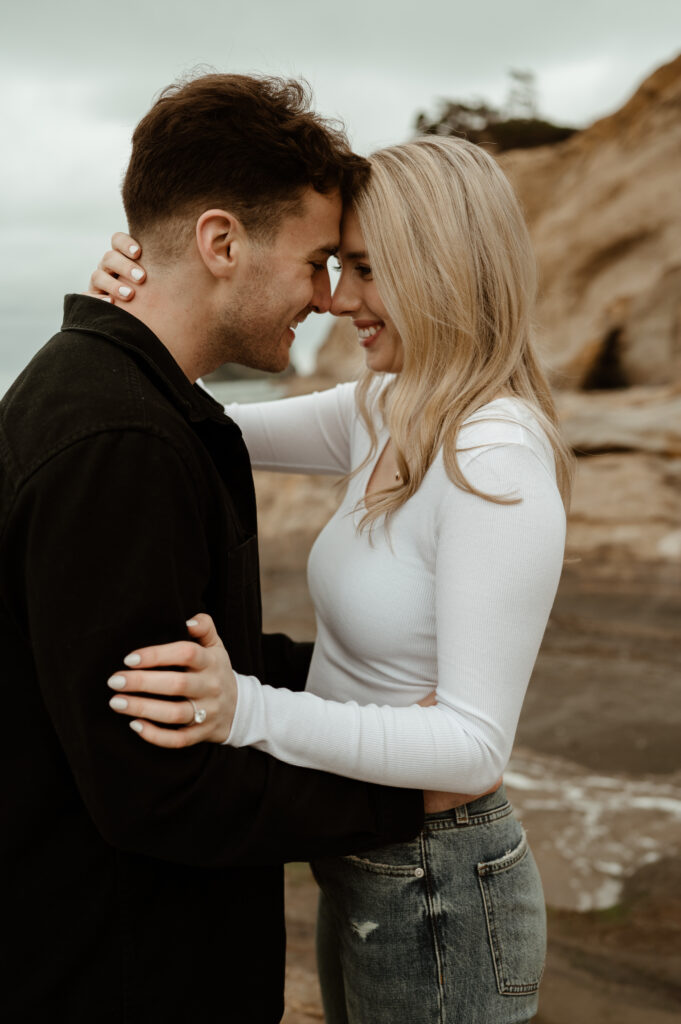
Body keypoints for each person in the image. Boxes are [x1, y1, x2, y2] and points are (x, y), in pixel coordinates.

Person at [92, 136, 573, 1023]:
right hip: (366, 854)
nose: (335, 299)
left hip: (444, 883)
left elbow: (473, 748)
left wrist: (247, 710)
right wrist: (136, 310)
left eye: (361, 269)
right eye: (333, 265)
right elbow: (190, 422)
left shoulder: (492, 455)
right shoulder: (389, 405)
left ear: (440, 269)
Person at [0, 74, 427, 1024]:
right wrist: (403, 796)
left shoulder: (123, 402)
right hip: (117, 978)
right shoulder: (122, 445)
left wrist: (375, 687)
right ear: (221, 242)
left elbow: (197, 664)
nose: (324, 299)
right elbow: (158, 783)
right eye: (317, 260)